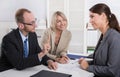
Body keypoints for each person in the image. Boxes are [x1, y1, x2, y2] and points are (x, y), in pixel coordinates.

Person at [79, 3, 120, 77]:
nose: (90, 21)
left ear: (103, 16)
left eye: (92, 17)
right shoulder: (103, 35)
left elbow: (112, 71)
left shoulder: (115, 38)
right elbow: (100, 62)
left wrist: (88, 67)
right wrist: (86, 63)